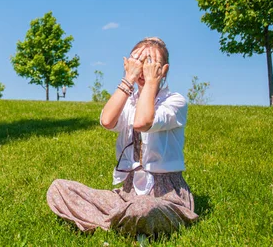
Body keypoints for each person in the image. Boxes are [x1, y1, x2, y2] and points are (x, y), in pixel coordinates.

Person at [46, 37, 198, 237]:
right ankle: (125, 224)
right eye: (139, 62)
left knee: (143, 208)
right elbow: (107, 121)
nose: (143, 68)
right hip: (127, 194)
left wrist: (151, 81)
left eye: (150, 63)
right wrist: (128, 80)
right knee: (59, 188)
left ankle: (114, 224)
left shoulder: (175, 102)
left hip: (166, 197)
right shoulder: (128, 101)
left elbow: (143, 122)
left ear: (164, 70)